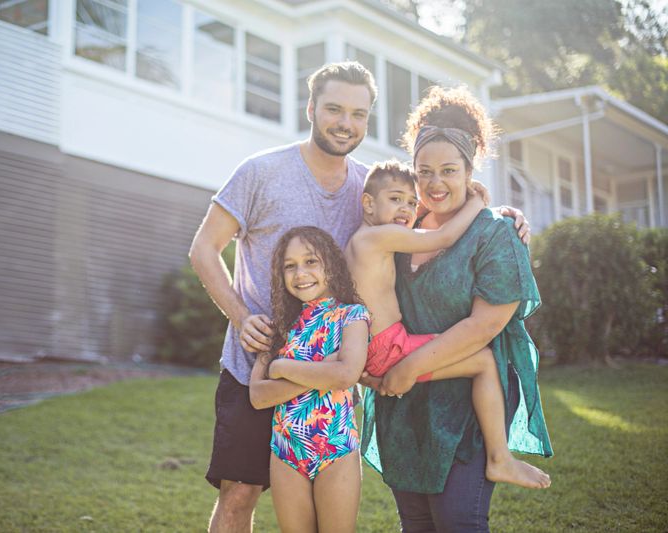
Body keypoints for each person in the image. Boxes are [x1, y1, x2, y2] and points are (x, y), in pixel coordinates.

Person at [189, 60, 530, 533]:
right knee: (239, 493)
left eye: (358, 113)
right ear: (310, 108)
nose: (345, 123)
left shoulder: (373, 187)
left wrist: (501, 213)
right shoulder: (260, 172)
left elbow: (432, 211)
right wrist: (243, 317)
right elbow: (203, 250)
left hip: (336, 373)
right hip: (259, 360)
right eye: (333, 109)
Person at [360, 86, 553, 532]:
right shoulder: (400, 228)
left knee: (455, 521)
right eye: (423, 171)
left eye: (449, 170)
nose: (434, 183)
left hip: (464, 405)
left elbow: (485, 325)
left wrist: (408, 367)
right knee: (416, 522)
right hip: (404, 405)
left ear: (470, 169)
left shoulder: (496, 235)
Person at [346, 160, 551, 491]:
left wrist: (498, 211)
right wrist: (477, 203)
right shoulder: (378, 238)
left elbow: (432, 220)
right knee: (484, 361)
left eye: (412, 202)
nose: (407, 208)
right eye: (396, 199)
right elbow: (444, 235)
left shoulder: (359, 240)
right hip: (388, 348)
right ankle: (500, 458)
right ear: (368, 203)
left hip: (374, 347)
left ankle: (499, 457)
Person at [249, 226, 369, 533]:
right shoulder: (279, 328)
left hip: (336, 448)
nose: (300, 273)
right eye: (290, 266)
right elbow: (259, 396)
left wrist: (282, 367)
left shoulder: (352, 316)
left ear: (331, 263)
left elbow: (345, 375)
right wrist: (321, 372)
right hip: (286, 452)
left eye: (311, 261)